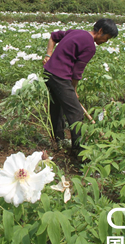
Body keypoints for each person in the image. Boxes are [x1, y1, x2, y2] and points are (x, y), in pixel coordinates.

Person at [43, 19, 118, 154]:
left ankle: (58, 142)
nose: (105, 42)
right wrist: (74, 90)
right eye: (106, 38)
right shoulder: (90, 45)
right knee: (76, 113)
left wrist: (48, 55)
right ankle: (78, 150)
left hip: (48, 74)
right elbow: (77, 73)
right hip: (60, 77)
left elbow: (53, 36)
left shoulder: (76, 32)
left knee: (57, 108)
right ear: (100, 31)